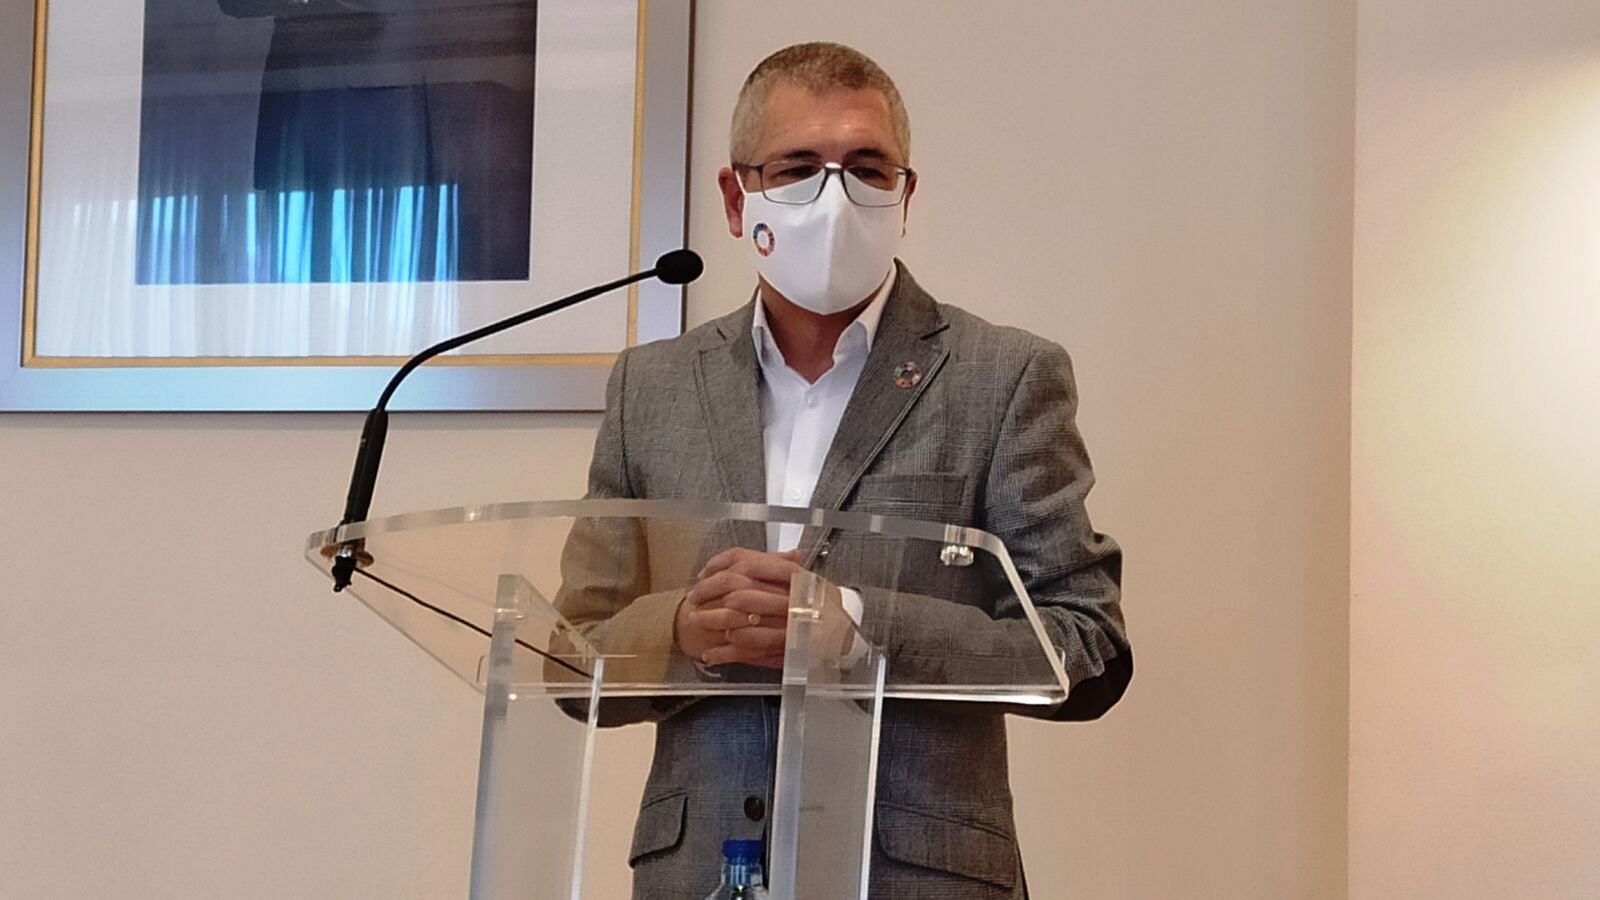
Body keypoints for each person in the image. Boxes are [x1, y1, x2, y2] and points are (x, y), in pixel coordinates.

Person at [562, 41, 1130, 899]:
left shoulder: (1004, 376)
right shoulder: (653, 386)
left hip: (920, 876)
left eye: (867, 168)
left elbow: (1087, 651)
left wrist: (861, 625)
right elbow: (572, 658)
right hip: (700, 871)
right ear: (736, 198)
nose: (836, 198)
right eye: (798, 168)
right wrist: (682, 631)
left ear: (905, 196)